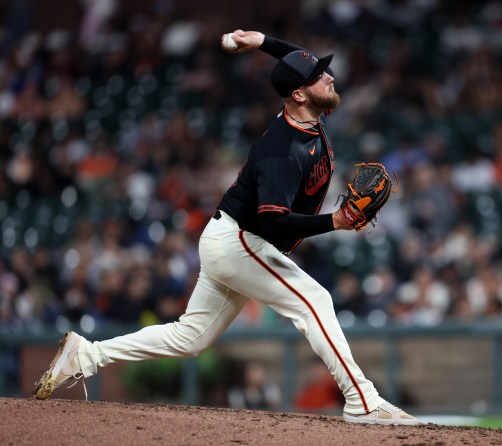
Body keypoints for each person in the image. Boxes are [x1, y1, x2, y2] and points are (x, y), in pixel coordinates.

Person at [33, 29, 419, 426]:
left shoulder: (304, 112)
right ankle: (363, 400)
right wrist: (334, 222)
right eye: (320, 76)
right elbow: (273, 221)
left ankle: (87, 354)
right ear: (300, 95)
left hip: (232, 239)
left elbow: (297, 61)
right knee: (314, 301)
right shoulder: (282, 151)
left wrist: (262, 41)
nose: (330, 77)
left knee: (191, 338)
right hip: (240, 239)